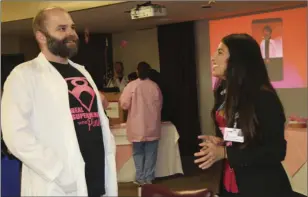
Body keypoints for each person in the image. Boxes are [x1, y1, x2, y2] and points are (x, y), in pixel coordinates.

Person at [1, 7, 117, 197]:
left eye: (72, 27)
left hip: (97, 180)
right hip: (58, 185)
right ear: (41, 36)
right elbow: (16, 135)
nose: (71, 34)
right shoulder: (24, 75)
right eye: (62, 29)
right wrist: (59, 172)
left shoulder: (82, 72)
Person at [194, 34, 293, 197]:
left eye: (220, 52)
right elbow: (245, 134)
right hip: (230, 181)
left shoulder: (263, 98)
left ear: (238, 60)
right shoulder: (224, 93)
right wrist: (223, 142)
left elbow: (276, 151)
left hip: (261, 185)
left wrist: (225, 153)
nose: (212, 58)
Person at [119, 61, 163, 185]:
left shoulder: (131, 86)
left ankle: (140, 177)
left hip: (136, 127)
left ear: (137, 71)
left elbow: (124, 104)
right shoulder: (155, 86)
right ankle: (149, 178)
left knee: (138, 153)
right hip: (153, 126)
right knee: (151, 153)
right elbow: (160, 105)